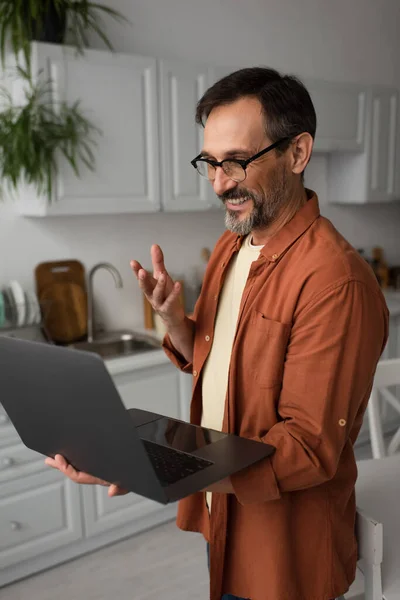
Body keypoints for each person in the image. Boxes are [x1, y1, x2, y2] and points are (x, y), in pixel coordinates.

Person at [46, 67, 389, 600]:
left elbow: (307, 447)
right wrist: (174, 323)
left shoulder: (335, 280)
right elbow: (218, 359)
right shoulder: (232, 247)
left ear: (297, 154)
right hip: (223, 519)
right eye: (210, 162)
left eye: (237, 162)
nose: (220, 182)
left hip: (286, 555)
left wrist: (155, 467)